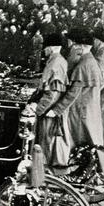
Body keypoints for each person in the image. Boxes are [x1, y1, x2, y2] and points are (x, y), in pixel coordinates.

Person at [48, 28, 104, 166]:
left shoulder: (83, 66)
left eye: (71, 43)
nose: (69, 46)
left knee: (81, 146)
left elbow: (73, 93)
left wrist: (55, 110)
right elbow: (101, 85)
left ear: (79, 46)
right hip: (91, 111)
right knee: (92, 146)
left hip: (81, 114)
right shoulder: (92, 62)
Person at [27, 33, 70, 172]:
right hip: (49, 110)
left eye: (45, 48)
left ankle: (44, 175)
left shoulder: (55, 64)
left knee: (45, 144)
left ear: (50, 48)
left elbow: (51, 95)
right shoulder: (59, 60)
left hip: (48, 112)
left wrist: (36, 110)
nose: (44, 51)